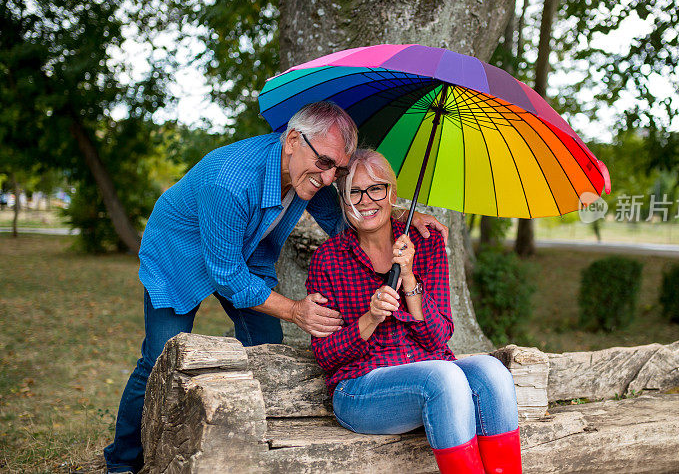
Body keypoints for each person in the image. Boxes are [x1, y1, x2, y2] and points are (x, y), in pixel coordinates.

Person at [104, 102, 448, 473]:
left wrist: (399, 215)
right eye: (326, 164)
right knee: (158, 359)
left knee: (265, 347)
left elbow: (346, 222)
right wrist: (295, 310)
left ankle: (248, 446)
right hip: (179, 254)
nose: (330, 179)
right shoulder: (229, 182)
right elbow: (225, 273)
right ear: (293, 141)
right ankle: (122, 462)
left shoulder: (311, 169)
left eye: (338, 169)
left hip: (245, 254)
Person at [307, 149, 521, 474]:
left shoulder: (426, 242)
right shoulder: (329, 259)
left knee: (492, 373)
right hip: (361, 389)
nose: (366, 200)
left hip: (431, 371)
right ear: (343, 200)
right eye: (354, 191)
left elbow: (439, 336)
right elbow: (325, 356)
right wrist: (370, 318)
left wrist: (408, 277)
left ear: (392, 193)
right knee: (443, 377)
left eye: (376, 188)